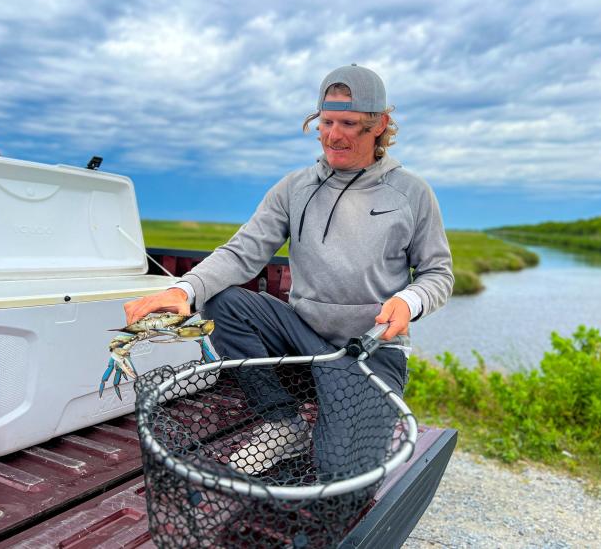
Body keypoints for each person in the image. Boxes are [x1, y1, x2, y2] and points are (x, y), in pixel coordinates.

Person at [125, 64, 454, 477]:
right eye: (326, 122)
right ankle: (284, 425)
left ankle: (339, 439)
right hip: (303, 340)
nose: (334, 135)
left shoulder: (411, 192)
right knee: (224, 300)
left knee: (341, 476)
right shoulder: (294, 187)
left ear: (380, 125)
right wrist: (184, 290)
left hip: (370, 350)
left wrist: (409, 301)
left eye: (349, 123)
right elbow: (243, 251)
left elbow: (438, 274)